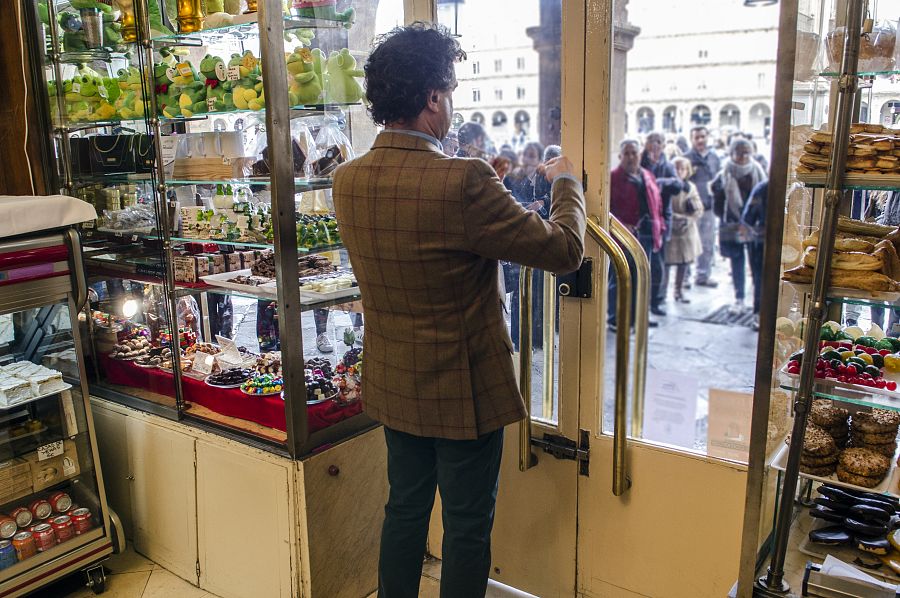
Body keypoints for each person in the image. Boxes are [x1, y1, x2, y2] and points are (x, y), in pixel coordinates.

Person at [333, 23, 585, 598]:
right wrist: (567, 182)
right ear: (432, 97)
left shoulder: (348, 179)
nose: (451, 104)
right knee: (467, 526)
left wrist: (487, 190)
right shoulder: (464, 180)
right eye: (450, 92)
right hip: (462, 386)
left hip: (395, 379)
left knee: (404, 510)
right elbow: (564, 250)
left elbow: (417, 234)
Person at [608, 139, 665, 329]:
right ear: (620, 156)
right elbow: (606, 209)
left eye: (634, 153)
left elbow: (657, 204)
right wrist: (621, 226)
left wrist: (660, 226)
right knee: (620, 277)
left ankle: (639, 317)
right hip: (623, 237)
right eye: (627, 153)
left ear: (640, 155)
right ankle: (616, 318)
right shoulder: (613, 178)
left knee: (643, 277)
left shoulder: (648, 175)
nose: (631, 157)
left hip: (647, 233)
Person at [711, 138, 767, 313]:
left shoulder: (758, 171)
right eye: (739, 153)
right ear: (731, 153)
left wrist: (751, 221)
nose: (743, 156)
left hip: (754, 226)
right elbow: (717, 204)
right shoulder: (723, 174)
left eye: (747, 152)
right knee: (736, 261)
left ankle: (757, 303)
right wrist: (731, 219)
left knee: (756, 263)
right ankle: (739, 298)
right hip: (732, 224)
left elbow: (763, 200)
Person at [504, 141, 547, 351]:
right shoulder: (512, 177)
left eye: (532, 155)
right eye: (526, 155)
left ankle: (537, 338)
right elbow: (506, 202)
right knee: (520, 290)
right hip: (520, 239)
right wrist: (523, 207)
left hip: (541, 240)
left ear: (539, 159)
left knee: (538, 290)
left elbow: (552, 201)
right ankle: (519, 338)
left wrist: (542, 203)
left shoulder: (545, 179)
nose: (528, 159)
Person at [641, 131, 683, 312]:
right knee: (641, 263)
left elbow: (678, 185)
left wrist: (661, 182)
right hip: (643, 221)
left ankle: (655, 302)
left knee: (658, 264)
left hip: (662, 220)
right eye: (651, 141)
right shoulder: (640, 163)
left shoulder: (668, 166)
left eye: (659, 141)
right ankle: (639, 304)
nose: (655, 145)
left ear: (664, 145)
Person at [685, 125, 721, 288]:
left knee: (707, 244)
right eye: (696, 137)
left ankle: (703, 275)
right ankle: (685, 278)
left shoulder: (714, 158)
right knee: (688, 243)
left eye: (702, 137)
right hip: (690, 209)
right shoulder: (686, 158)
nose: (700, 140)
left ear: (707, 137)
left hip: (708, 207)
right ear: (692, 139)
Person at [665, 157, 704, 303]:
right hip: (670, 228)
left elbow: (698, 207)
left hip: (686, 230)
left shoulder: (690, 187)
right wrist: (674, 218)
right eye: (677, 168)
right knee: (666, 263)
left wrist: (688, 218)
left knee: (684, 263)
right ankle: (661, 294)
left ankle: (678, 290)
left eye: (683, 169)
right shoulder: (667, 185)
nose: (680, 172)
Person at [741, 180, 768, 330]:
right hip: (770, 243)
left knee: (760, 280)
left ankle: (758, 315)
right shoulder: (795, 187)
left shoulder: (762, 188)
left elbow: (748, 218)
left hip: (761, 242)